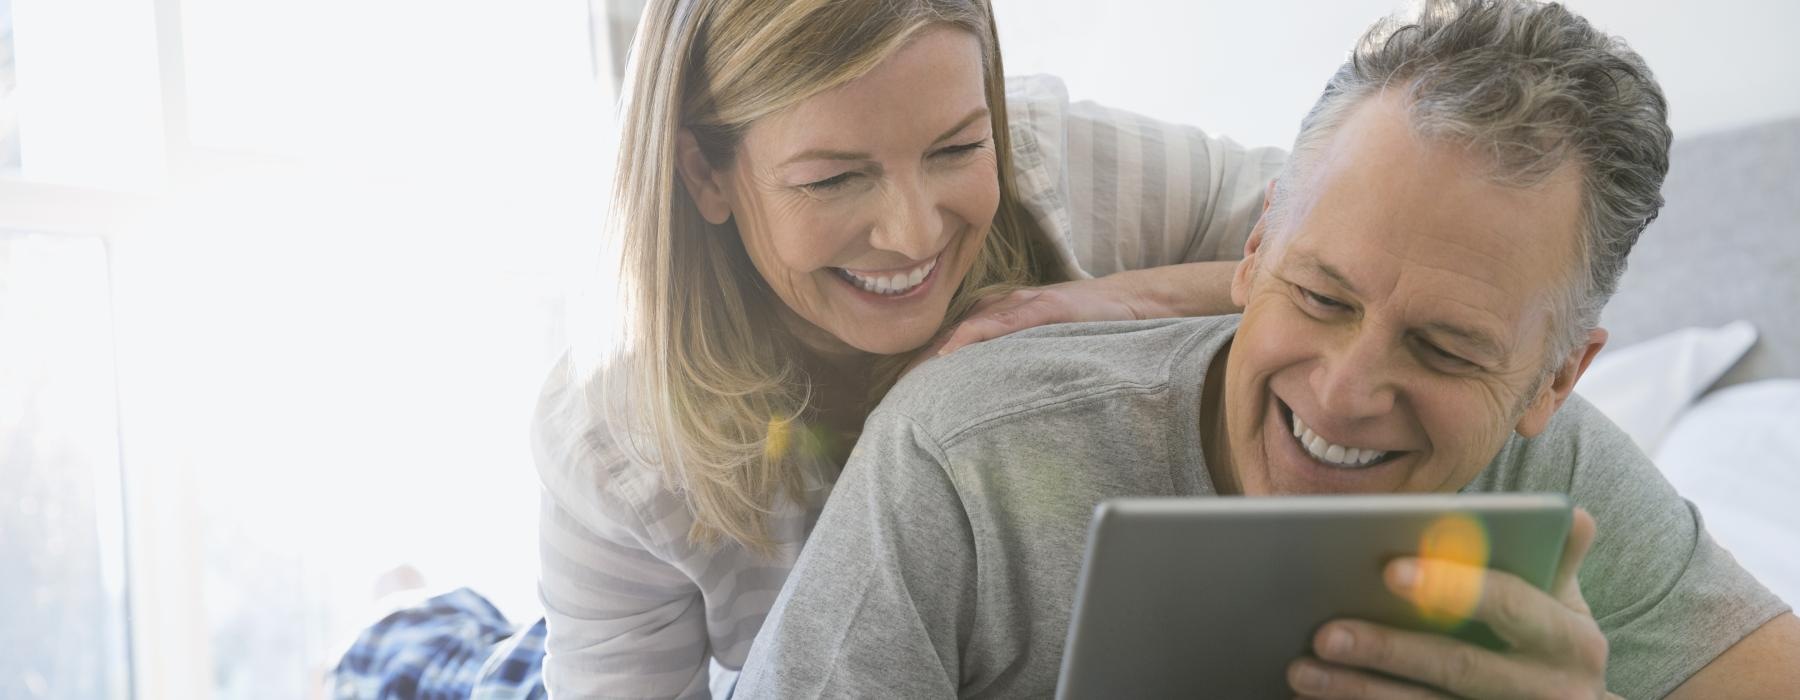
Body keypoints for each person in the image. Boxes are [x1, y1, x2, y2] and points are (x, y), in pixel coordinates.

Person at [732, 1, 1800, 697]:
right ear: (1253, 250)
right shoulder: (961, 457)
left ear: (1556, 377)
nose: (1344, 393)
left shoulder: (1551, 475)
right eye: (1322, 295)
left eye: (1442, 347)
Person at [331, 0, 1284, 698]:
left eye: (956, 150)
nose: (913, 234)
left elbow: (1365, 265)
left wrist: (1122, 298)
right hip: (633, 671)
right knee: (433, 665)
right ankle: (398, 602)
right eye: (833, 179)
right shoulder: (615, 436)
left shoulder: (1073, 167)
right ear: (704, 170)